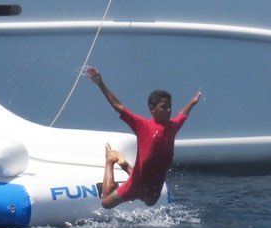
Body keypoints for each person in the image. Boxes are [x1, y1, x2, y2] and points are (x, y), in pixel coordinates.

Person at [84, 66, 201, 209]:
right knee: (106, 203)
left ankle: (125, 165)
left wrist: (193, 102)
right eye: (164, 107)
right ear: (152, 109)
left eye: (170, 106)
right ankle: (110, 161)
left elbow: (183, 114)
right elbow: (118, 106)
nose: (169, 110)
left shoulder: (173, 127)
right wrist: (100, 84)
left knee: (151, 203)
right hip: (135, 186)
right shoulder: (143, 125)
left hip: (153, 191)